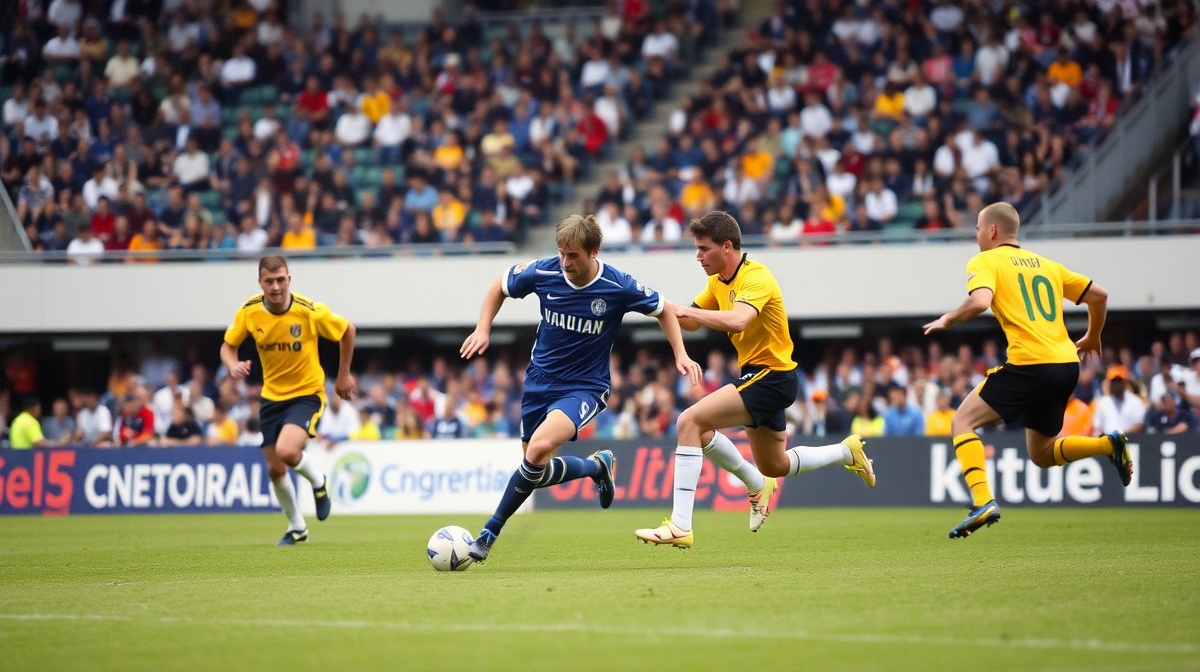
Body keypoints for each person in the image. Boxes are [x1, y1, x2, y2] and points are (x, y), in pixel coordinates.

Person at [459, 214, 702, 562]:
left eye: (574, 255)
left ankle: (489, 532)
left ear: (594, 251)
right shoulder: (544, 271)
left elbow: (663, 309)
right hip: (539, 382)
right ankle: (596, 467)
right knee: (536, 470)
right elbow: (499, 285)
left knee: (538, 448)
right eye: (562, 253)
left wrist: (680, 353)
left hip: (585, 387)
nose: (566, 262)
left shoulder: (617, 285)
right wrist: (483, 328)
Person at [635, 211, 875, 549]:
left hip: (771, 376)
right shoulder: (718, 282)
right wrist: (655, 304)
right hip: (761, 377)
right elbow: (689, 321)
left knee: (688, 421)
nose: (698, 256)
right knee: (774, 464)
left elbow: (737, 321)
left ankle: (680, 526)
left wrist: (685, 311)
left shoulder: (756, 277)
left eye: (704, 248)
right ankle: (844, 452)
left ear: (727, 246)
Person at [923, 202, 1131, 539]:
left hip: (1031, 365)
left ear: (991, 230)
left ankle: (983, 501)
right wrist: (1093, 335)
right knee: (1042, 454)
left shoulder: (985, 260)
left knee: (961, 421)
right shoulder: (1047, 265)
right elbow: (1099, 295)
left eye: (977, 228)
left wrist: (948, 318)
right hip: (1066, 366)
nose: (976, 236)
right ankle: (1109, 446)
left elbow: (979, 302)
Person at [220, 256, 358, 545]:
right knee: (275, 469)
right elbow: (228, 346)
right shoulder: (250, 311)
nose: (276, 286)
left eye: (281, 279)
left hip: (307, 393)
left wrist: (343, 376)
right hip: (271, 397)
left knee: (286, 450)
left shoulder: (310, 311)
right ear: (260, 283)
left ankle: (319, 481)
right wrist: (232, 365)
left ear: (289, 280)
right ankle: (297, 528)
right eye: (269, 281)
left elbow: (347, 330)